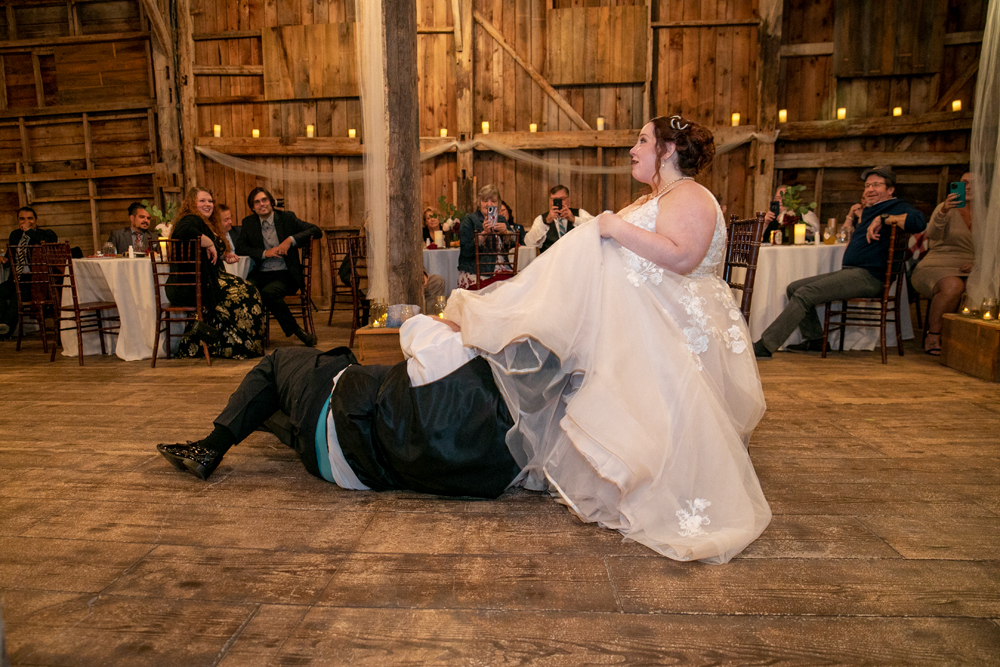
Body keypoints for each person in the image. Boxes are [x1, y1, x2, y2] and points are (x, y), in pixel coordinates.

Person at [445, 115, 771, 563]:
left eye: (643, 140)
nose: (633, 150)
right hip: (644, 311)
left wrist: (615, 227)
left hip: (673, 319)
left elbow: (683, 257)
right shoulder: (656, 197)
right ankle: (515, 324)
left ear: (667, 150)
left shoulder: (690, 195)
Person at [156, 314, 519, 499]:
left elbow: (413, 326)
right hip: (347, 473)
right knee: (276, 401)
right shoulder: (525, 452)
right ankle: (243, 422)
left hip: (336, 412)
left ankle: (211, 447)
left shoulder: (461, 354)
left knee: (278, 363)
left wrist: (462, 322)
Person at [752, 166, 927, 358]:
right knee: (794, 288)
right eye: (867, 185)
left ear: (890, 189)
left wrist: (883, 218)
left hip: (870, 276)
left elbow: (919, 222)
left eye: (876, 185)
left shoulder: (896, 206)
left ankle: (765, 346)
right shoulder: (871, 209)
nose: (870, 189)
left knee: (805, 294)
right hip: (854, 272)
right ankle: (815, 340)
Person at [167, 187, 265, 359]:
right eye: (202, 201)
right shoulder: (190, 219)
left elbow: (204, 254)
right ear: (191, 203)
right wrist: (210, 243)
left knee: (250, 291)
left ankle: (237, 343)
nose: (208, 204)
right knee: (246, 294)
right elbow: (183, 231)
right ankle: (236, 345)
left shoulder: (205, 224)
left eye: (210, 201)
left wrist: (223, 255)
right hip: (194, 285)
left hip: (209, 279)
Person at [236, 187, 322, 347]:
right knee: (245, 291)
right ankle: (251, 337)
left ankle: (298, 332)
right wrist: (264, 253)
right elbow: (240, 248)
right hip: (261, 273)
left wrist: (290, 240)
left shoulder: (287, 218)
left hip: (286, 274)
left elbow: (316, 230)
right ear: (253, 207)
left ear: (271, 202)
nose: (262, 204)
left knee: (269, 293)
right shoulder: (249, 223)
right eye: (257, 202)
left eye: (264, 200)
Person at [911, 172, 975, 355]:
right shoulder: (946, 208)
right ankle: (933, 335)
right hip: (937, 263)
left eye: (974, 183)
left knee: (976, 285)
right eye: (964, 183)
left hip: (971, 265)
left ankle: (962, 340)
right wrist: (943, 211)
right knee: (954, 285)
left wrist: (978, 265)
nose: (968, 187)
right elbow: (933, 235)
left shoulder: (989, 214)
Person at [1, 207, 58, 337]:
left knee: (17, 297)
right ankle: (2, 325)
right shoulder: (15, 235)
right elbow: (12, 255)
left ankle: (5, 330)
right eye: (22, 219)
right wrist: (5, 259)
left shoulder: (46, 234)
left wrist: (29, 231)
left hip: (34, 280)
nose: (26, 221)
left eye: (30, 218)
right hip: (16, 278)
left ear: (36, 220)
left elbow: (49, 243)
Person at [456, 185, 510, 289]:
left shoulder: (501, 219)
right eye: (485, 201)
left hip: (502, 269)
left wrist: (506, 232)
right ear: (479, 203)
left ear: (498, 204)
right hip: (476, 271)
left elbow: (513, 244)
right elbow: (466, 250)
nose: (489, 204)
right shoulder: (469, 220)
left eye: (493, 201)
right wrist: (484, 233)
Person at [524, 185, 594, 252]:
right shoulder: (541, 219)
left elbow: (595, 227)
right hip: (550, 259)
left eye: (562, 199)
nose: (560, 203)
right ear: (550, 201)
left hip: (576, 258)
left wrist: (575, 219)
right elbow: (529, 242)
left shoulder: (580, 213)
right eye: (555, 200)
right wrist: (546, 223)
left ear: (568, 200)